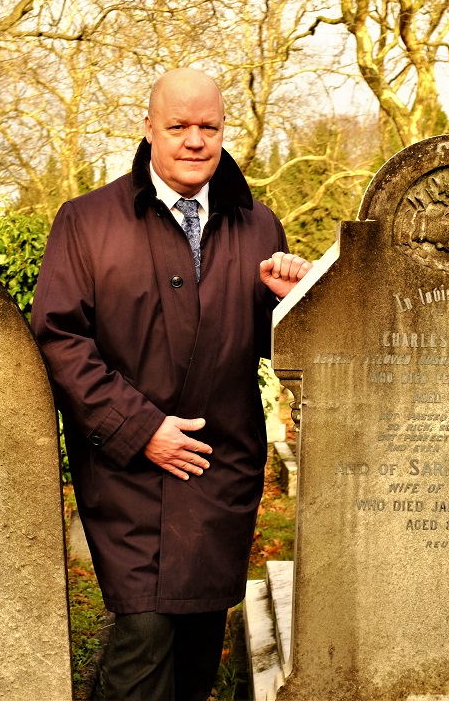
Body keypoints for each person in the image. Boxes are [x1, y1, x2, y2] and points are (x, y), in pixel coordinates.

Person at [32, 68, 310, 701]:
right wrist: (141, 429)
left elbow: (275, 350)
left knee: (193, 660)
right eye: (178, 126)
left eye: (207, 127)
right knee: (143, 643)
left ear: (223, 131)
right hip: (129, 480)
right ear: (148, 128)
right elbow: (59, 337)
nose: (194, 140)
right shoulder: (85, 222)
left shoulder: (260, 226)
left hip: (220, 477)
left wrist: (296, 305)